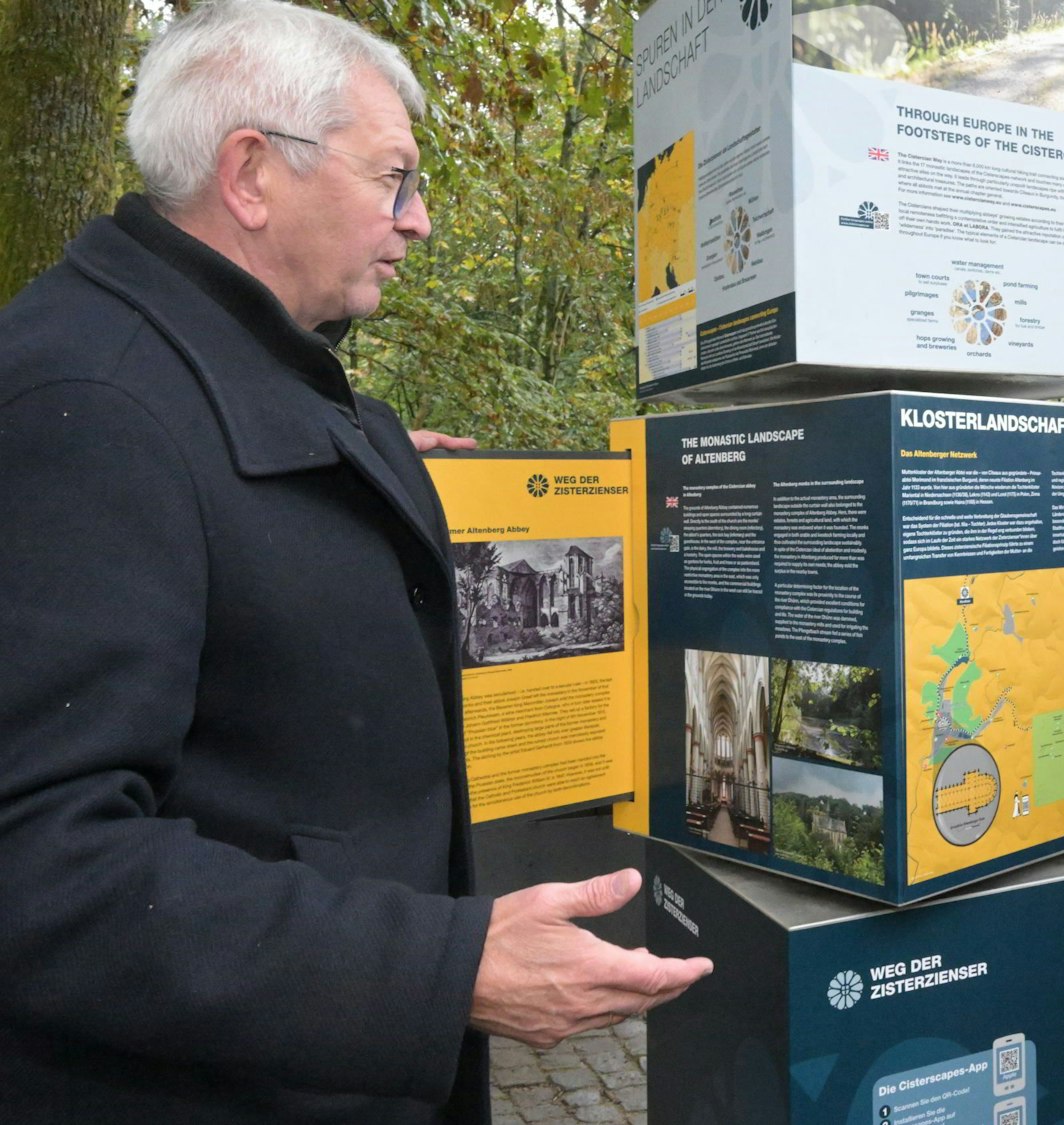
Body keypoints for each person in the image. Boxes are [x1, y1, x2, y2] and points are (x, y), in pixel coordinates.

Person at [0, 3, 709, 1121]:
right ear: (251, 175)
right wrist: (442, 967)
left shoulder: (223, 365)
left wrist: (356, 472)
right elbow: (37, 862)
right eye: (394, 178)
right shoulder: (83, 404)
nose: (417, 221)